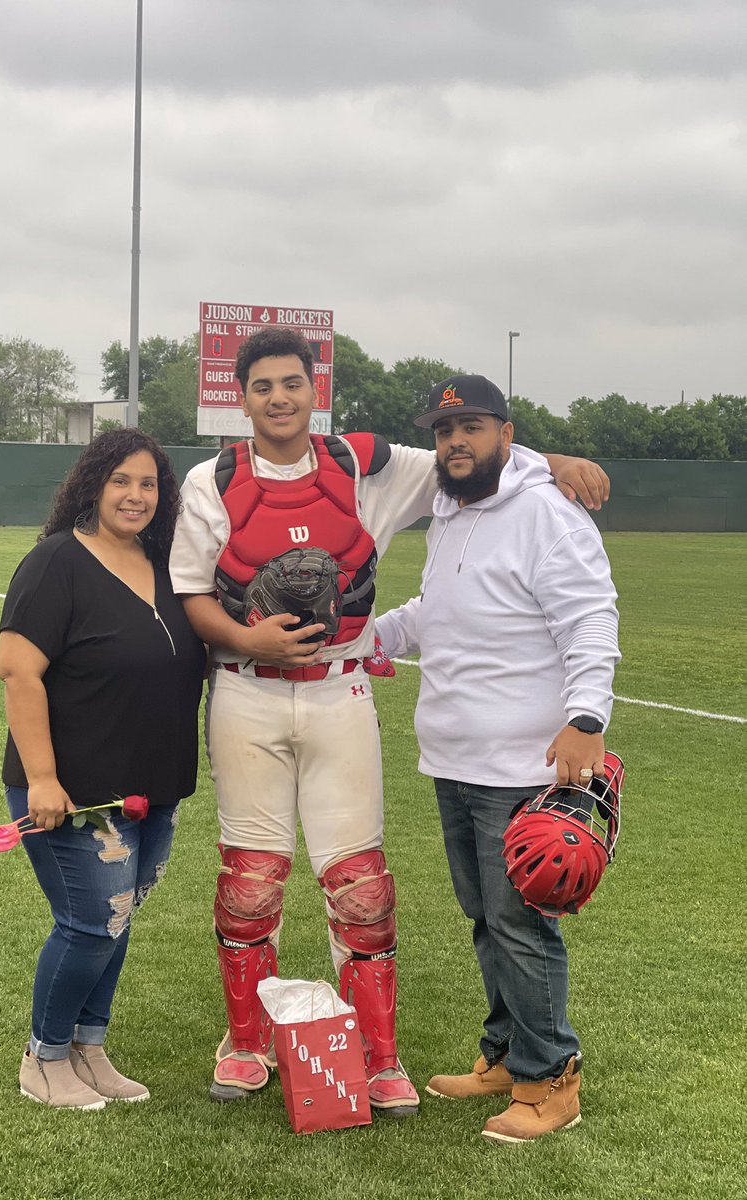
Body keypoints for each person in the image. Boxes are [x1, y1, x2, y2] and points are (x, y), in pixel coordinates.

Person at [169, 329, 609, 1117]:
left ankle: (380, 1057)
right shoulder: (211, 480)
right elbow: (194, 591)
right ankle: (242, 1043)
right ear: (243, 398)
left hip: (342, 693)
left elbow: (475, 453)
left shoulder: (362, 466)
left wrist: (555, 463)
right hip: (249, 689)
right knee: (250, 884)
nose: (279, 398)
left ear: (314, 390)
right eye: (263, 386)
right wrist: (244, 637)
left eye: (292, 384)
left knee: (362, 890)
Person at [376, 374, 620, 1142]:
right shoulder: (449, 508)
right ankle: (508, 1055)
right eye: (444, 430)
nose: (455, 441)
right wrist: (374, 638)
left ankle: (553, 1079)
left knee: (521, 928)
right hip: (454, 755)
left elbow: (589, 616)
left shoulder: (547, 511)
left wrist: (587, 719)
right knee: (487, 919)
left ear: (506, 435)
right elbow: (441, 606)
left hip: (522, 762)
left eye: (472, 426)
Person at [0, 429, 206, 1110]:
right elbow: (18, 673)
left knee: (118, 919)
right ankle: (44, 1058)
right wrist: (43, 780)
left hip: (153, 786)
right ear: (92, 485)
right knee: (89, 922)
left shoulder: (166, 562)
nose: (136, 495)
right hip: (74, 790)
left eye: (148, 483)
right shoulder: (57, 562)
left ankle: (89, 1047)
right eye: (121, 480)